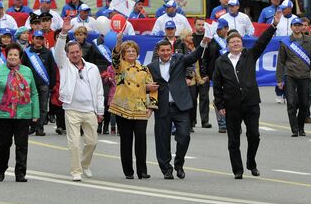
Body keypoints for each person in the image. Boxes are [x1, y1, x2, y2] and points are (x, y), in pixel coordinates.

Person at [212, 11, 280, 178]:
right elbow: (217, 85)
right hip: (231, 105)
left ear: (242, 43)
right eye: (232, 42)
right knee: (233, 140)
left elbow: (262, 42)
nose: (236, 43)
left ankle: (251, 161)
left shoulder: (249, 55)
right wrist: (220, 105)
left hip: (250, 103)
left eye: (238, 41)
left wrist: (273, 25)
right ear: (227, 45)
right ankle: (238, 169)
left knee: (254, 135)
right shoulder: (221, 61)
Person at [147, 33, 210, 179]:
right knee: (162, 140)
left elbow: (194, 57)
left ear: (172, 50)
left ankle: (179, 163)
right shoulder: (151, 67)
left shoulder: (180, 59)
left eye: (168, 50)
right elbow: (146, 87)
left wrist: (203, 44)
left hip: (180, 106)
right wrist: (147, 92)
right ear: (158, 52)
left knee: (184, 136)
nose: (165, 53)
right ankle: (166, 169)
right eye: (162, 50)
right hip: (162, 107)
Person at [53, 17, 105, 182]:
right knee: (74, 143)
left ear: (81, 52)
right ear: (67, 55)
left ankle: (85, 163)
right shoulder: (64, 65)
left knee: (92, 142)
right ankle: (76, 171)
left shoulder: (92, 68)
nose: (75, 55)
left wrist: (100, 110)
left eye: (77, 52)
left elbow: (99, 90)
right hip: (72, 109)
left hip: (90, 110)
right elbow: (58, 51)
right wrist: (63, 33)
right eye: (71, 53)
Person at [0, 42, 39, 183]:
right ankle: (2, 167)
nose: (13, 57)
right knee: (4, 144)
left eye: (15, 55)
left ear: (20, 57)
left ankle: (20, 173)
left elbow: (34, 92)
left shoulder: (27, 71)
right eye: (10, 55)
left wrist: (36, 113)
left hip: (23, 113)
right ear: (6, 56)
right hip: (4, 114)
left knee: (22, 144)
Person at [110, 33, 158, 180]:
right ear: (124, 54)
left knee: (141, 140)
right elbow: (115, 59)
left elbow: (154, 88)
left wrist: (151, 107)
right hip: (122, 108)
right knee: (126, 140)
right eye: (128, 51)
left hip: (140, 108)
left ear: (138, 53)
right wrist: (119, 42)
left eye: (133, 51)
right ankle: (128, 171)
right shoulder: (120, 67)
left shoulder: (144, 69)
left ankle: (142, 170)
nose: (131, 53)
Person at [276, 17, 311, 137]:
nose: (297, 27)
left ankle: (301, 127)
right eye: (295, 25)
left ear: (302, 27)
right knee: (291, 102)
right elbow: (281, 61)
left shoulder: (309, 41)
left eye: (299, 25)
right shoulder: (285, 42)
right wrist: (279, 79)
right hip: (290, 75)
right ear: (291, 27)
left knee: (304, 104)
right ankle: (294, 129)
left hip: (305, 76)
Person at [21, 30, 55, 136]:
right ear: (33, 39)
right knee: (30, 106)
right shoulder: (27, 52)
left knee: (43, 107)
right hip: (30, 85)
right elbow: (22, 68)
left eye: (41, 38)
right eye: (37, 38)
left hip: (43, 84)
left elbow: (52, 68)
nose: (39, 41)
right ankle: (31, 126)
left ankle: (40, 128)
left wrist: (52, 84)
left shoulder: (48, 52)